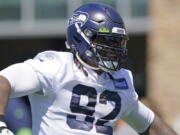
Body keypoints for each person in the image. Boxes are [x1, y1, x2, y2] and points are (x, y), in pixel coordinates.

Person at [0, 3, 177, 135]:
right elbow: (4, 81)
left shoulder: (121, 81)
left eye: (117, 42)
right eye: (106, 41)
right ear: (79, 37)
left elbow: (152, 124)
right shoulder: (56, 66)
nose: (113, 48)